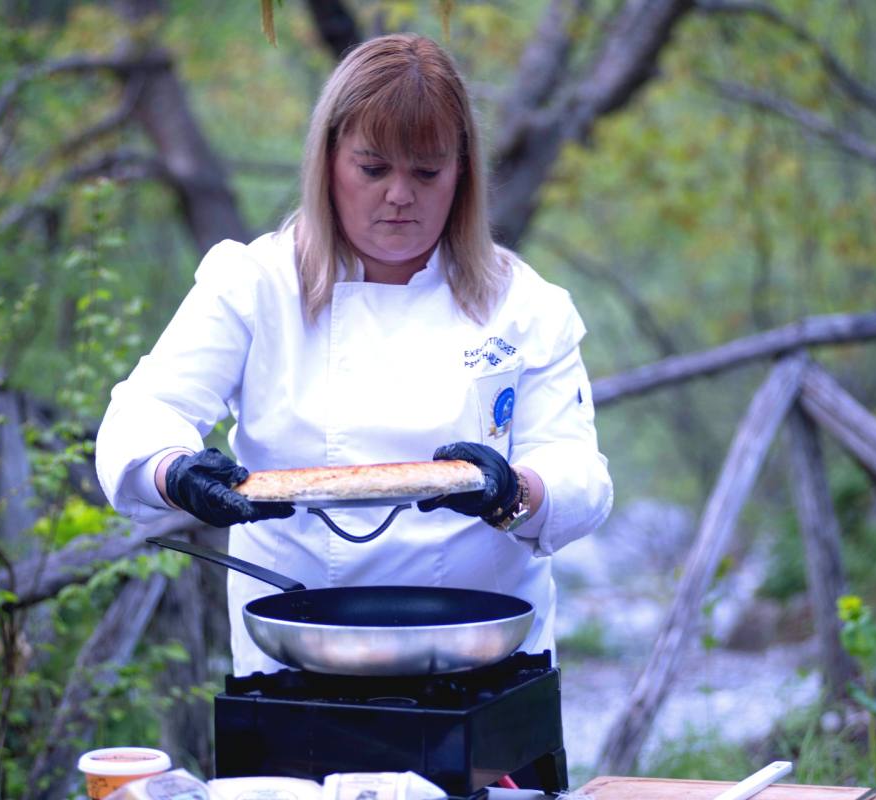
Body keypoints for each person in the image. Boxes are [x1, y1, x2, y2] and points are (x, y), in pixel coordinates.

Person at [95, 33, 613, 677]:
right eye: (373, 169)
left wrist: (512, 491)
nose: (400, 195)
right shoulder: (254, 284)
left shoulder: (526, 305)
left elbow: (580, 477)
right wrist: (175, 473)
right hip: (294, 651)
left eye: (426, 172)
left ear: (462, 172)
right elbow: (142, 415)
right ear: (329, 162)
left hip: (484, 651)